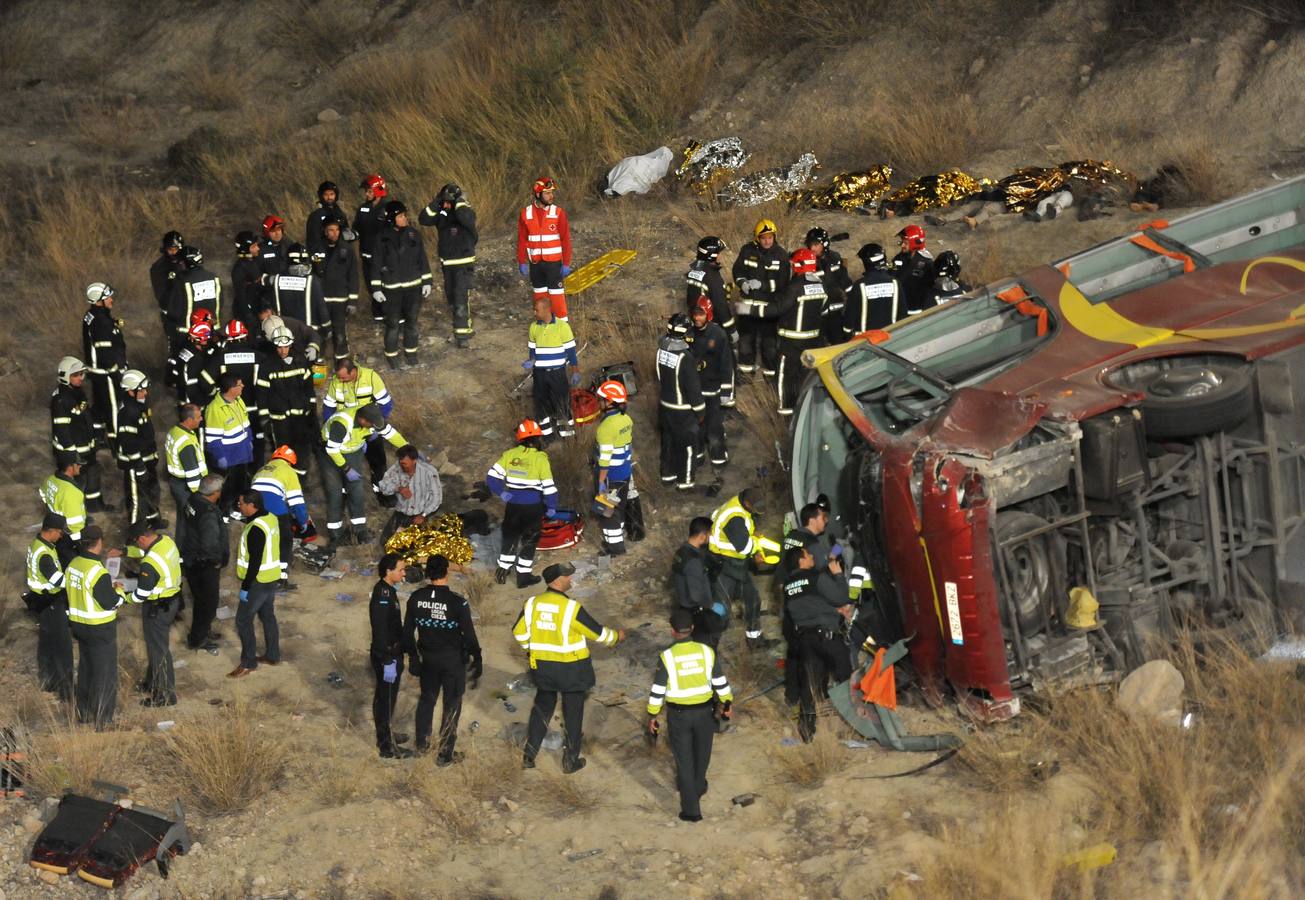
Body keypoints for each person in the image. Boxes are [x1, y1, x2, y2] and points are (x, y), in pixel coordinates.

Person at [513, 562, 622, 772]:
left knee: (541, 709)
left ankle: (529, 755)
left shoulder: (532, 604)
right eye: (567, 577)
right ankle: (570, 761)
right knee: (573, 715)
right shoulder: (571, 608)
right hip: (571, 671)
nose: (570, 579)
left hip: (543, 669)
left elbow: (518, 632)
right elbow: (599, 634)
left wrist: (531, 648)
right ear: (556, 581)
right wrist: (617, 636)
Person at [645, 607, 733, 822]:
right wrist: (727, 703)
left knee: (684, 761)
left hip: (679, 715)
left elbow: (658, 690)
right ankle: (699, 785)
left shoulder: (667, 657)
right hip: (705, 713)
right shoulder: (706, 651)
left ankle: (691, 810)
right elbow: (720, 683)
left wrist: (652, 715)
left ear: (673, 631)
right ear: (692, 628)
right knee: (702, 753)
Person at [404, 554, 482, 764]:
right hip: (452, 662)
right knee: (452, 704)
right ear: (446, 571)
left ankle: (422, 745)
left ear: (427, 573)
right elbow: (469, 634)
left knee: (427, 700)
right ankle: (445, 753)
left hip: (428, 659)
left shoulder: (416, 598)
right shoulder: (457, 602)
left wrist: (413, 657)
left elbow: (407, 632)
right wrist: (478, 657)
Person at [782, 545, 853, 742]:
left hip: (805, 640)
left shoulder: (788, 585)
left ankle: (806, 731)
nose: (811, 556)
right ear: (801, 561)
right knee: (846, 678)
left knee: (809, 687)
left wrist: (832, 612)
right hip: (827, 638)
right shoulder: (815, 577)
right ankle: (854, 722)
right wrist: (838, 575)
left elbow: (809, 607)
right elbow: (841, 597)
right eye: (807, 554)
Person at [65, 525, 126, 729]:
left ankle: (84, 713)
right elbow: (109, 602)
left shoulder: (74, 564)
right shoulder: (97, 571)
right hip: (99, 628)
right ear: (99, 542)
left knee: (86, 670)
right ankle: (104, 720)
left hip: (79, 627)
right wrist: (121, 594)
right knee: (105, 674)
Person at [321, 402, 407, 546]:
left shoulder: (372, 415)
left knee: (356, 490)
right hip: (329, 455)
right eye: (371, 425)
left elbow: (390, 433)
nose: (373, 428)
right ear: (362, 420)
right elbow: (332, 450)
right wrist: (346, 469)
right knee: (335, 492)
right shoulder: (341, 423)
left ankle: (360, 531)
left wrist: (407, 448)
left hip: (352, 451)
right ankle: (336, 535)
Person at [487, 419, 557, 587]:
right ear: (536, 439)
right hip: (533, 507)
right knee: (529, 540)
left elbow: (491, 477)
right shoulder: (540, 459)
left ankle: (502, 572)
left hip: (513, 507)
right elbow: (549, 487)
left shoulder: (509, 455)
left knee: (510, 537)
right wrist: (552, 506)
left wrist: (502, 493)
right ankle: (523, 577)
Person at [708, 488, 780, 649]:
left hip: (735, 565)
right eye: (755, 508)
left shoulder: (737, 503)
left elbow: (714, 516)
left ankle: (755, 641)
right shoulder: (735, 517)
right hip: (724, 566)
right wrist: (756, 548)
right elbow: (744, 547)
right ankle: (708, 647)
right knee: (721, 610)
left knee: (753, 600)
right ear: (747, 503)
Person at [778, 503, 831, 706]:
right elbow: (826, 570)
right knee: (814, 655)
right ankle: (816, 695)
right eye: (823, 517)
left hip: (790, 602)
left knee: (793, 651)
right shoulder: (812, 544)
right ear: (813, 519)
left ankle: (792, 695)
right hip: (808, 609)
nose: (825, 521)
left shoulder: (791, 537)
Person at [370, 200, 432, 369]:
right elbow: (375, 264)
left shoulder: (413, 234)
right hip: (392, 290)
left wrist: (427, 281)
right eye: (401, 216)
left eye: (404, 215)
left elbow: (422, 259)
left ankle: (411, 353)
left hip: (413, 288)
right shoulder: (382, 238)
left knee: (412, 322)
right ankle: (392, 355)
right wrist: (376, 288)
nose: (405, 218)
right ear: (391, 219)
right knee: (393, 324)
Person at [128, 521, 183, 708]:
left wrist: (122, 595)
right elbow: (147, 552)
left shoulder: (150, 563)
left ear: (142, 538)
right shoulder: (166, 542)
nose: (138, 547)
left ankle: (166, 695)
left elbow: (140, 594)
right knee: (157, 647)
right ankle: (152, 684)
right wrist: (125, 551)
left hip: (156, 609)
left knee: (158, 651)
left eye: (137, 543)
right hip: (172, 602)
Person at [322, 357, 393, 496]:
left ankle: (383, 493)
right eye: (338, 377)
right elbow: (329, 406)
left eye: (343, 377)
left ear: (353, 371)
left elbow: (386, 404)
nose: (340, 381)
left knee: (378, 463)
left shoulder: (371, 377)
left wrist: (375, 428)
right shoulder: (336, 382)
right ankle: (345, 495)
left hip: (370, 428)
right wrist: (330, 428)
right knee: (345, 464)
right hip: (348, 432)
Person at [229, 491, 282, 678]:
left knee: (243, 620)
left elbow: (255, 561)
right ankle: (273, 655)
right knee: (268, 616)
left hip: (257, 582)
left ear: (251, 505)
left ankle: (248, 663)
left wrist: (245, 587)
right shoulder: (270, 518)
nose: (239, 505)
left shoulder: (255, 528)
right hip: (271, 578)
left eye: (241, 502)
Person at [419, 182, 478, 348]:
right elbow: (424, 218)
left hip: (463, 263)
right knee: (452, 298)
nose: (446, 203)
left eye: (448, 200)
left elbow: (467, 219)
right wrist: (437, 202)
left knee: (460, 297)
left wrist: (459, 202)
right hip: (448, 263)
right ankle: (461, 327)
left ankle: (462, 335)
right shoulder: (442, 213)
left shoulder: (464, 211)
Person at [773, 248, 828, 417]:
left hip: (790, 341)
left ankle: (786, 413)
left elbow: (779, 309)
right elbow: (824, 311)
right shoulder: (820, 284)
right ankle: (805, 412)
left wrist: (750, 309)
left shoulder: (794, 287)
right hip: (812, 341)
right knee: (806, 377)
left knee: (786, 378)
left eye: (793, 264)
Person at [731, 219, 789, 379]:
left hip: (768, 309)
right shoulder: (746, 250)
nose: (767, 241)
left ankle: (770, 377)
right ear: (757, 238)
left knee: (769, 345)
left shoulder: (781, 255)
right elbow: (738, 270)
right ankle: (746, 375)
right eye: (763, 238)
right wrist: (742, 283)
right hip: (747, 308)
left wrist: (762, 285)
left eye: (770, 237)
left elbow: (783, 282)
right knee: (745, 343)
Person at [369, 553, 413, 759]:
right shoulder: (382, 595)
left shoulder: (389, 591)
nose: (403, 573)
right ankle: (386, 746)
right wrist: (387, 657)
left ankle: (386, 732)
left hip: (393, 651)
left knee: (389, 697)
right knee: (385, 699)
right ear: (388, 571)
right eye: (400, 570)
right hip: (386, 654)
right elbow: (380, 629)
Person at [251, 446, 315, 588]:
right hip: (275, 511)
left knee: (262, 544)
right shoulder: (288, 471)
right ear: (290, 462)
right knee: (284, 542)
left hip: (254, 512)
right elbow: (296, 502)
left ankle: (260, 577)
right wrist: (303, 521)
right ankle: (281, 579)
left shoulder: (262, 470)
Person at [51, 356, 108, 513]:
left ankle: (94, 505)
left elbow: (85, 417)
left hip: (85, 447)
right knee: (77, 484)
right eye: (75, 375)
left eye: (81, 374)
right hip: (73, 451)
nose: (80, 378)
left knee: (93, 473)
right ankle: (76, 513)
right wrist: (71, 453)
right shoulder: (61, 399)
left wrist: (96, 437)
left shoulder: (78, 393)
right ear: (65, 376)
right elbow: (61, 429)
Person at [27, 513, 73, 701]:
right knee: (63, 647)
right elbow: (58, 581)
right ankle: (66, 690)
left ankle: (49, 682)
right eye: (60, 532)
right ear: (52, 531)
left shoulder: (38, 545)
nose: (61, 536)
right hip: (51, 604)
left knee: (46, 644)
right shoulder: (44, 554)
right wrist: (77, 578)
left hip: (41, 603)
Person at [209, 319, 268, 467]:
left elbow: (204, 382)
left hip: (230, 410)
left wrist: (217, 395)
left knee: (235, 446)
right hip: (256, 409)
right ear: (245, 336)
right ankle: (256, 476)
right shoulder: (260, 357)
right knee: (258, 441)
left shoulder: (219, 358)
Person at [656, 314, 703, 491]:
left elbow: (661, 378)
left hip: (665, 407)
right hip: (683, 411)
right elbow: (693, 389)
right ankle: (685, 482)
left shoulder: (661, 350)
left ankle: (667, 476)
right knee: (688, 447)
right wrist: (700, 411)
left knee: (668, 443)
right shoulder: (685, 357)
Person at [516, 176, 573, 320]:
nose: (551, 196)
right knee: (539, 298)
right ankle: (543, 328)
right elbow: (522, 239)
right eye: (547, 193)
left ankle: (563, 331)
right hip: (535, 265)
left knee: (557, 298)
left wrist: (566, 263)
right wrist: (521, 261)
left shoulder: (558, 213)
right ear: (538, 194)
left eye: (552, 193)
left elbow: (565, 239)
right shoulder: (525, 213)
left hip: (554, 264)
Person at [182, 474, 227, 652]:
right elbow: (210, 543)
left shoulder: (193, 500)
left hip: (191, 559)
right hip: (204, 564)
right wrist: (216, 561)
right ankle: (198, 639)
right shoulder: (208, 513)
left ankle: (203, 631)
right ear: (214, 493)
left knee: (200, 600)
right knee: (208, 603)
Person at [524, 293, 579, 441]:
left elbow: (571, 352)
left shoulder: (562, 326)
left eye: (537, 310)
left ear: (547, 310)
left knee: (562, 404)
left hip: (557, 374)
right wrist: (531, 361)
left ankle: (567, 435)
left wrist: (575, 371)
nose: (534, 313)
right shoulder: (533, 327)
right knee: (541, 404)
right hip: (540, 374)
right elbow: (532, 350)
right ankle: (547, 436)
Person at [116, 369, 165, 530]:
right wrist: (139, 466)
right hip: (135, 464)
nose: (145, 392)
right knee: (138, 499)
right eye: (141, 389)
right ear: (130, 391)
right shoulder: (128, 412)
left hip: (147, 459)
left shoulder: (138, 405)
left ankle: (152, 519)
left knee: (152, 490)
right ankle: (136, 534)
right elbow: (128, 442)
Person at [82, 281, 128, 445]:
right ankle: (118, 443)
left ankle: (97, 437)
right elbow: (105, 351)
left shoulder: (91, 316)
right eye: (108, 297)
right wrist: (116, 373)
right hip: (106, 373)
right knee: (114, 407)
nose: (111, 300)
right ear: (98, 301)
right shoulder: (101, 322)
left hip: (97, 372)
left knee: (100, 406)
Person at [689, 297, 732, 466]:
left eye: (700, 315)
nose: (696, 318)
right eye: (695, 315)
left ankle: (719, 459)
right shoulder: (689, 333)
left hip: (713, 391)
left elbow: (726, 364)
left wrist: (726, 391)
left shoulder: (718, 334)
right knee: (696, 428)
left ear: (708, 314)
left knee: (714, 428)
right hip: (695, 391)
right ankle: (698, 457)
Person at [203, 374, 255, 516]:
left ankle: (236, 509)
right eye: (239, 384)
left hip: (241, 454)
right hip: (229, 458)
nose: (243, 386)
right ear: (231, 388)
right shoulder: (215, 409)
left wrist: (249, 440)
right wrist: (220, 457)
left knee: (241, 484)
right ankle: (223, 513)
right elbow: (213, 439)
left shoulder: (238, 401)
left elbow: (246, 423)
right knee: (226, 488)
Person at [592, 380, 633, 557]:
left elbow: (605, 458)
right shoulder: (626, 419)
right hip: (625, 472)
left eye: (601, 399)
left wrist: (601, 481)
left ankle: (615, 548)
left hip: (611, 476)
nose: (598, 401)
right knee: (620, 508)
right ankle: (616, 538)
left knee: (608, 513)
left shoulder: (605, 427)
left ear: (609, 402)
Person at [671, 516, 726, 647]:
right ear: (702, 535)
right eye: (709, 534)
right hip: (697, 611)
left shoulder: (681, 552)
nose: (710, 537)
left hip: (684, 606)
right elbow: (696, 595)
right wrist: (712, 605)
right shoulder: (693, 561)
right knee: (705, 644)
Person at [166, 246, 222, 365]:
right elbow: (220, 301)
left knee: (184, 365)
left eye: (180, 262)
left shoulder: (181, 281)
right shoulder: (214, 277)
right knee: (212, 363)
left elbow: (173, 310)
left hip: (187, 334)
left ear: (186, 262)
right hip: (211, 331)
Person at [164, 403, 208, 552]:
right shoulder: (186, 443)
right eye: (198, 417)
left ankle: (182, 552)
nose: (201, 419)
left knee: (184, 519)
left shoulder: (175, 431)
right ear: (189, 419)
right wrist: (200, 495)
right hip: (186, 487)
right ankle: (185, 554)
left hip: (177, 483)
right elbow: (192, 473)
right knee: (189, 521)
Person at [377, 444, 442, 541]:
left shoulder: (429, 472)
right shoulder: (396, 468)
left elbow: (437, 498)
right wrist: (398, 488)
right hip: (402, 512)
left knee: (415, 545)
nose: (401, 466)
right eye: (400, 462)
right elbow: (383, 486)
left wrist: (423, 515)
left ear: (414, 461)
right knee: (385, 541)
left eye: (404, 464)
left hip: (421, 513)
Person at [316, 213, 358, 361]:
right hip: (322, 299)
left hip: (341, 299)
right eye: (331, 230)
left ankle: (342, 366)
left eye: (337, 230)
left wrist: (353, 301)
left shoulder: (347, 249)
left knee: (339, 333)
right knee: (320, 333)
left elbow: (353, 275)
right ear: (325, 231)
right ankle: (318, 372)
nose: (335, 233)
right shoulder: (316, 250)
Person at [267, 243, 329, 344]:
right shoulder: (312, 281)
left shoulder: (277, 279)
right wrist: (327, 328)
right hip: (307, 333)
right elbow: (321, 307)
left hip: (284, 333)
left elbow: (273, 304)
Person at [686, 235, 736, 347]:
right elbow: (720, 306)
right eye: (718, 253)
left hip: (697, 323)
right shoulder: (712, 277)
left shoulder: (695, 270)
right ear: (711, 256)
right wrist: (731, 330)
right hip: (713, 327)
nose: (720, 256)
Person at [843, 243, 901, 335]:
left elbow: (850, 315)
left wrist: (847, 332)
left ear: (867, 263)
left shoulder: (860, 285)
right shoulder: (895, 283)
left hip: (865, 341)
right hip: (890, 338)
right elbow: (902, 313)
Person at [806, 227, 852, 344]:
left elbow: (845, 280)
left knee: (838, 342)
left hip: (835, 311)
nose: (812, 248)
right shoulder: (806, 260)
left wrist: (852, 299)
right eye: (810, 245)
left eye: (816, 244)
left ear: (824, 244)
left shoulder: (835, 258)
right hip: (815, 312)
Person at [355, 174, 389, 322]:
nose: (367, 194)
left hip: (383, 257)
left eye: (369, 191)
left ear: (378, 191)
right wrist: (352, 234)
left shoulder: (388, 209)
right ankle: (378, 315)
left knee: (385, 284)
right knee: (371, 286)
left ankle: (390, 313)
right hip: (367, 255)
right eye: (366, 191)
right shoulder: (362, 209)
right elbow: (356, 228)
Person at [40, 454, 87, 557]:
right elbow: (74, 524)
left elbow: (43, 494)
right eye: (78, 464)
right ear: (70, 467)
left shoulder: (50, 479)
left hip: (56, 526)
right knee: (69, 559)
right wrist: (80, 545)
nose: (80, 466)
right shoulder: (71, 492)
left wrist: (52, 509)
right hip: (67, 535)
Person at [891, 224, 935, 316]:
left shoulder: (928, 263)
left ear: (916, 243)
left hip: (919, 313)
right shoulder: (899, 258)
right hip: (900, 310)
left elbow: (931, 290)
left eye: (906, 243)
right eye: (902, 242)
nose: (902, 245)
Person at [149, 231, 186, 336]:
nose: (174, 253)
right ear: (165, 249)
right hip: (172, 315)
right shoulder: (159, 268)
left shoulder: (186, 262)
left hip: (189, 311)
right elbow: (162, 295)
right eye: (171, 250)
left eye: (176, 249)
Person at [173, 321, 217, 406]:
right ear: (201, 340)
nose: (209, 339)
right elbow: (193, 384)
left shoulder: (185, 350)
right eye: (207, 337)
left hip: (181, 394)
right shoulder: (196, 358)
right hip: (191, 401)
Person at [230, 230, 265, 333]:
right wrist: (248, 315)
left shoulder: (254, 262)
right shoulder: (239, 269)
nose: (258, 248)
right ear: (246, 250)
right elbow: (241, 295)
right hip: (246, 313)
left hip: (256, 307)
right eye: (254, 246)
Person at [306, 180, 351, 255]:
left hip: (340, 255)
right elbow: (313, 240)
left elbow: (346, 236)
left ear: (336, 195)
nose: (329, 197)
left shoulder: (340, 214)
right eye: (326, 194)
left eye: (331, 194)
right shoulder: (316, 215)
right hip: (324, 255)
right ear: (321, 196)